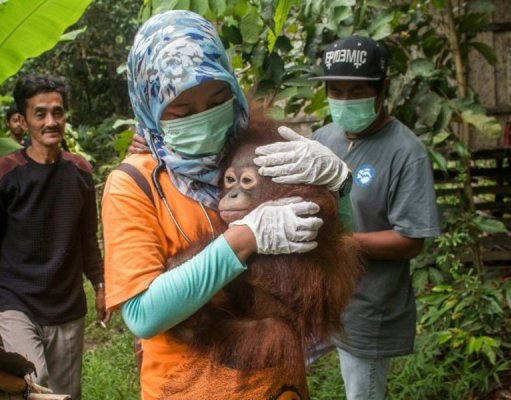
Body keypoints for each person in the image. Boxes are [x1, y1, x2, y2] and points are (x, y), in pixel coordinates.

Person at [102, 10, 351, 399]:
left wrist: (336, 185)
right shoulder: (134, 184)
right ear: (150, 111)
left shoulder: (259, 148)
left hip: (276, 385)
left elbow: (334, 244)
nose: (205, 119)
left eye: (218, 100)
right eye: (183, 112)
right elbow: (142, 316)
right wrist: (245, 238)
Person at [309, 36, 441, 399]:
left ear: (382, 90)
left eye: (357, 91)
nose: (345, 101)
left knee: (362, 392)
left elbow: (411, 240)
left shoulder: (405, 151)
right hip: (323, 296)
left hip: (370, 305)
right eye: (336, 91)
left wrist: (341, 245)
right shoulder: (324, 138)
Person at [0, 74, 110, 400]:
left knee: (64, 393)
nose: (51, 122)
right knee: (35, 386)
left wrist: (101, 286)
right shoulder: (3, 174)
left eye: (58, 113)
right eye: (41, 113)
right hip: (15, 302)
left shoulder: (80, 172)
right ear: (22, 120)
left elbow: (88, 238)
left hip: (67, 304)